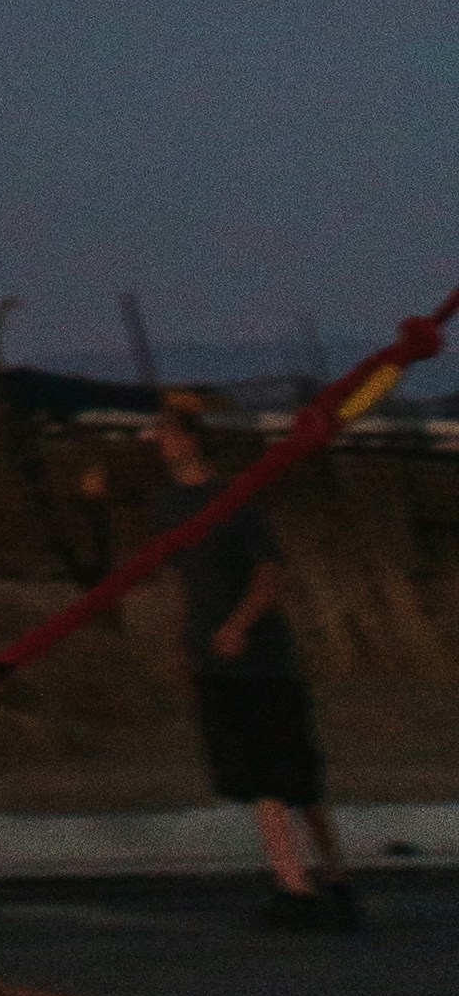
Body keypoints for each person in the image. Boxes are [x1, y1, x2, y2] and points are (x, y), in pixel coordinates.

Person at [151, 385, 358, 929]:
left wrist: (238, 626)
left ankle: (329, 876)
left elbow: (270, 573)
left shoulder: (233, 499)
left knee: (295, 776)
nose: (162, 442)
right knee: (256, 776)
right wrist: (184, 643)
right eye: (161, 434)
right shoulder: (170, 507)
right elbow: (182, 582)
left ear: (194, 440)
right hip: (214, 661)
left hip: (263, 660)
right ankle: (295, 882)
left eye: (170, 432)